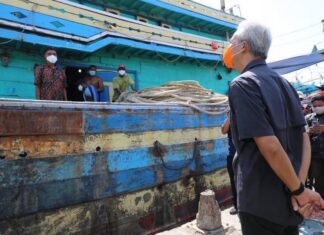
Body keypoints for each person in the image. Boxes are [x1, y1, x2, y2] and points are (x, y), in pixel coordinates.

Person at [224, 20, 324, 234]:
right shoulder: (285, 83)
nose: (228, 48)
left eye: (231, 41)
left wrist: (298, 190)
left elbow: (270, 145)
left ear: (243, 46)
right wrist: (298, 188)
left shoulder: (242, 85)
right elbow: (303, 137)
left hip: (260, 203)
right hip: (291, 203)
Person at [307, 94, 324, 198]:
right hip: (315, 156)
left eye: (320, 105)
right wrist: (309, 131)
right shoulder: (308, 118)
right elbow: (301, 134)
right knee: (318, 181)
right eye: (315, 106)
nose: (317, 108)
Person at [221, 112, 238, 215]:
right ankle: (236, 206)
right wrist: (231, 116)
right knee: (233, 181)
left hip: (244, 156)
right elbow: (223, 130)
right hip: (232, 155)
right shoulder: (230, 118)